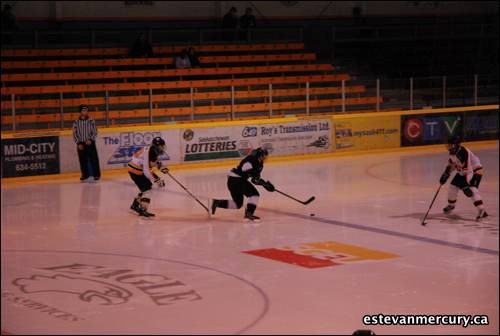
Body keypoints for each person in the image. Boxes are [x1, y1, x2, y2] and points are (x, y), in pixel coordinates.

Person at [210, 148, 275, 221]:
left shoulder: (260, 165)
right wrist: (259, 180)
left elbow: (254, 180)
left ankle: (217, 203)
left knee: (237, 204)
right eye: (264, 156)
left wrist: (265, 184)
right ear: (260, 155)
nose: (265, 158)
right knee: (254, 195)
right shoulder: (250, 159)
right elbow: (244, 169)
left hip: (235, 180)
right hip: (237, 179)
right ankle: (249, 214)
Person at [439, 136, 488, 221]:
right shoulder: (452, 153)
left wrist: (465, 185)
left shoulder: (463, 152)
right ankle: (451, 205)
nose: (449, 146)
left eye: (451, 145)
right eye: (449, 145)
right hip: (463, 172)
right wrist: (446, 173)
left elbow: (468, 169)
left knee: (471, 189)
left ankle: (482, 210)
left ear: (456, 145)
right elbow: (452, 164)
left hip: (474, 171)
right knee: (453, 186)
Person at [128, 137, 168, 217]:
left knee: (146, 188)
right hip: (136, 171)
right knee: (147, 190)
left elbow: (152, 163)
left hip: (135, 170)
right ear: (157, 147)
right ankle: (143, 209)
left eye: (162, 146)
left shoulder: (152, 150)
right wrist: (157, 179)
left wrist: (160, 166)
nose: (162, 148)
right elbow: (147, 171)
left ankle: (135, 205)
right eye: (161, 146)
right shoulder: (150, 152)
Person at [72, 104, 101, 181]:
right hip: (81, 143)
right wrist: (78, 143)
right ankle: (85, 175)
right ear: (80, 112)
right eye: (83, 110)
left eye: (86, 110)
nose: (85, 112)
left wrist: (91, 140)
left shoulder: (91, 120)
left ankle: (96, 175)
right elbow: (74, 133)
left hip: (90, 143)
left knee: (94, 159)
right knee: (82, 160)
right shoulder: (76, 122)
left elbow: (95, 131)